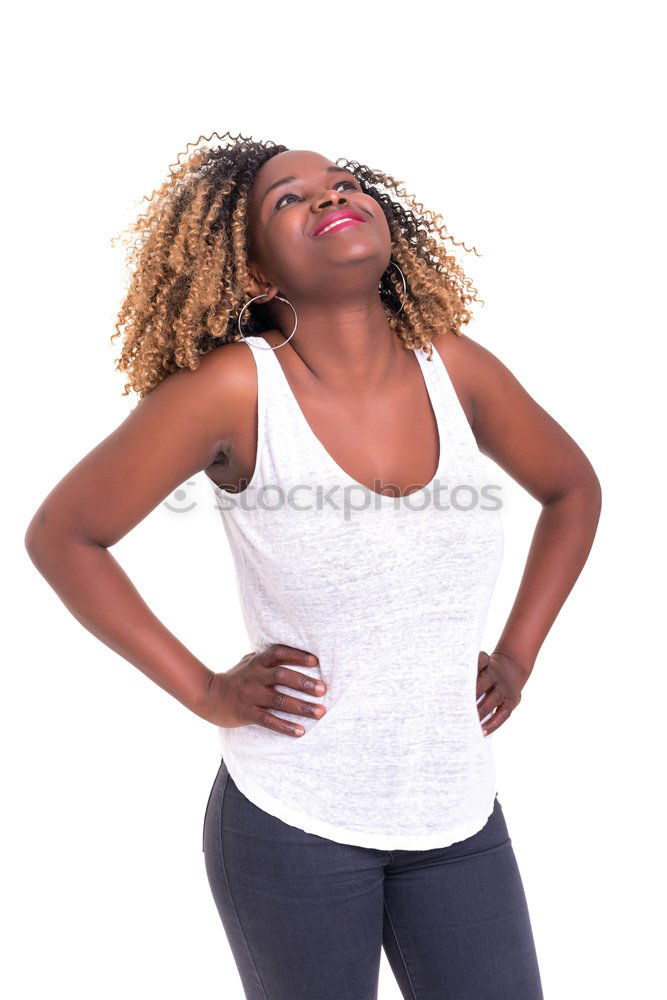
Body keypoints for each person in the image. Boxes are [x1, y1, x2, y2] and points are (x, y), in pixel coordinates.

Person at [25, 132, 602, 1000]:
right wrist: (205, 689)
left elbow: (570, 490)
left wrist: (517, 654)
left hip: (454, 813)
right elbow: (64, 535)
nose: (330, 195)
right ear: (253, 271)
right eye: (287, 199)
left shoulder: (455, 368)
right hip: (293, 820)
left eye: (343, 182)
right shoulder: (232, 392)